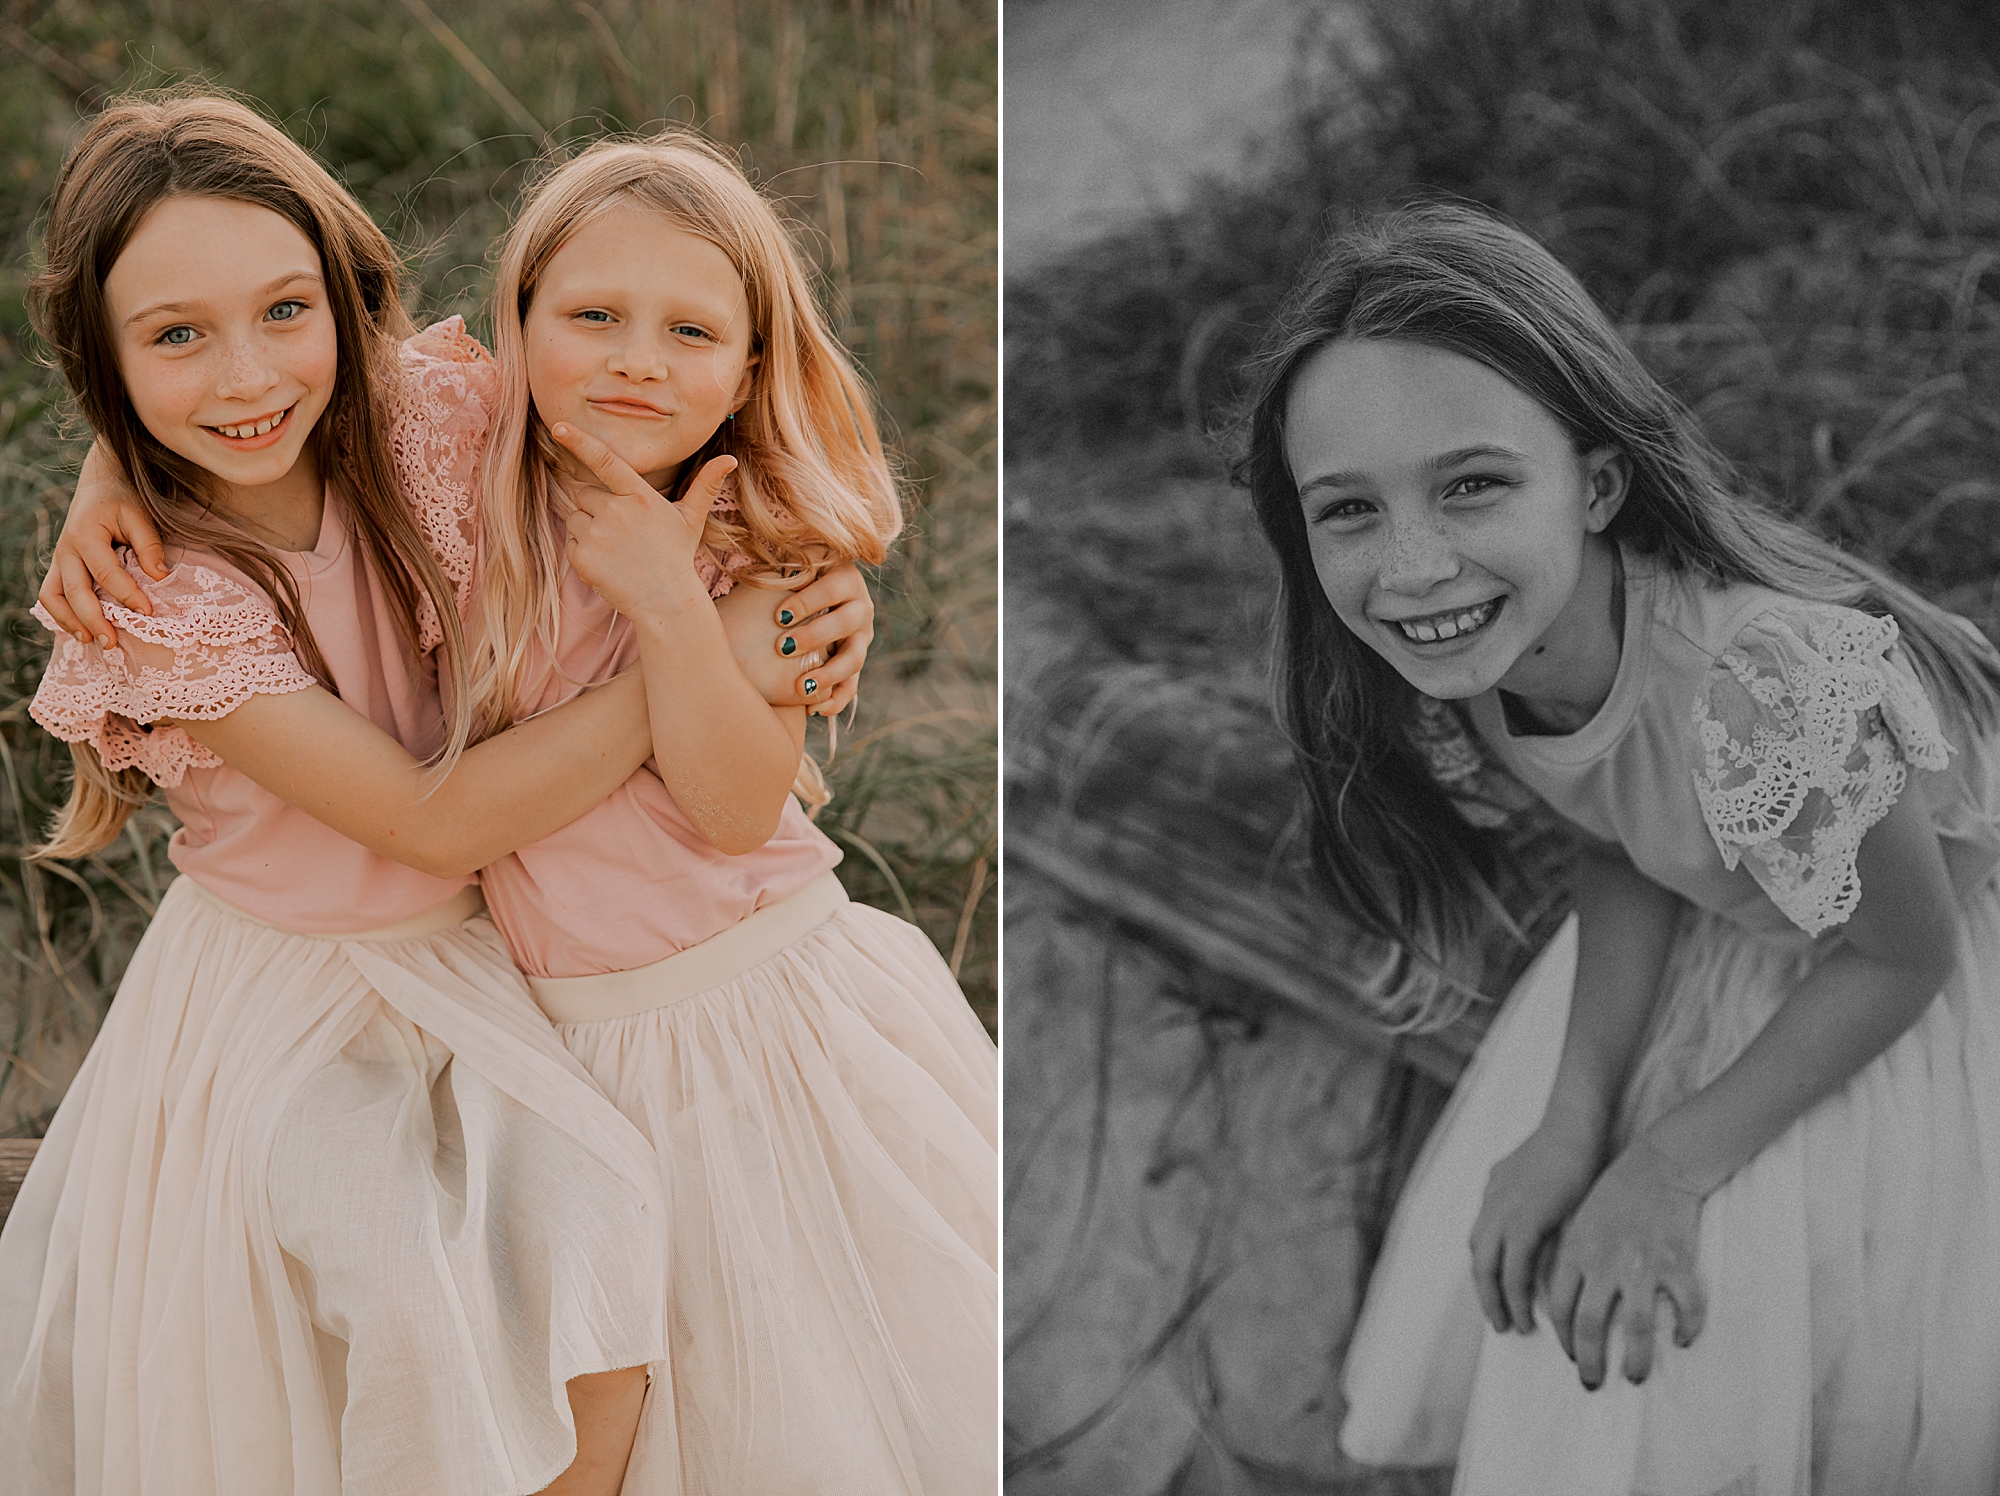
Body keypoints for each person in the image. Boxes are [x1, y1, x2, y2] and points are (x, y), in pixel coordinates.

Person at [48, 125, 998, 1495]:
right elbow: (436, 826)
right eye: (176, 338)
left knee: (635, 1279)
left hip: (521, 976)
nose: (249, 372)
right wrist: (698, 637)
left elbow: (735, 800)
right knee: (422, 1298)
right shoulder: (165, 594)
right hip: (296, 994)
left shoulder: (440, 424)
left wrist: (716, 616)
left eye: (284, 313)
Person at [1237, 201, 2000, 1493]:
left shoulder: (1753, 684)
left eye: (1472, 483)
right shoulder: (1481, 650)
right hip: (1761, 921)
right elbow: (1627, 838)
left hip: (1920, 968)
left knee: (1741, 1305)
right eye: (1348, 509)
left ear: (1595, 482)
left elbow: (1898, 956)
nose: (1413, 565)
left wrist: (1659, 1166)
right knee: (1567, 1232)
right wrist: (1569, 1120)